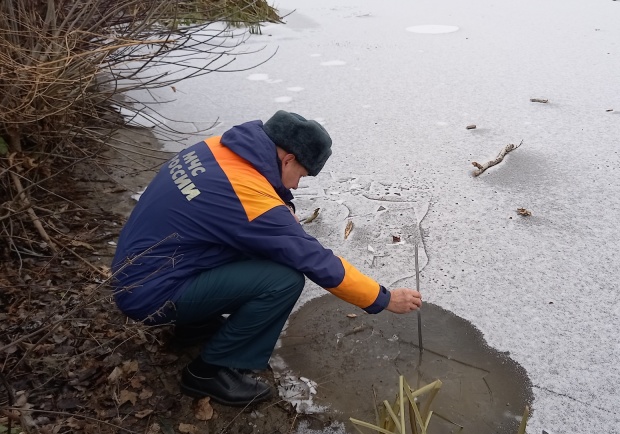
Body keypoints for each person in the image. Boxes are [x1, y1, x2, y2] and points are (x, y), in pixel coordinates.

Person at [111, 111, 422, 406]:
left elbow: (244, 202)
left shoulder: (217, 148)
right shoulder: (248, 197)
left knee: (251, 245)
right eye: (301, 173)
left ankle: (192, 327)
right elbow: (314, 260)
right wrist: (382, 298)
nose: (297, 185)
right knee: (282, 280)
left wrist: (280, 208)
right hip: (151, 295)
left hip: (137, 270)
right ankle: (208, 372)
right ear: (287, 158)